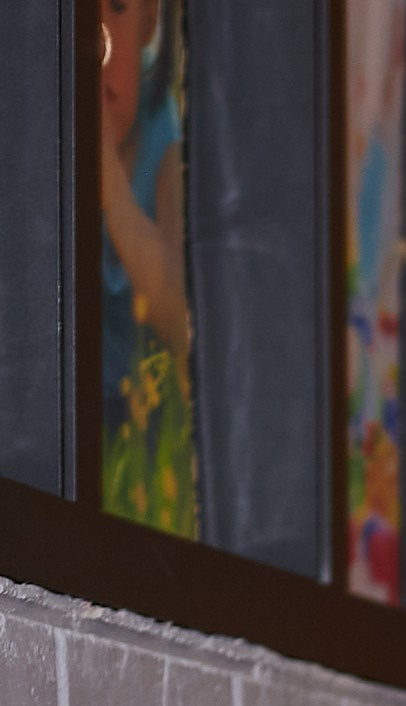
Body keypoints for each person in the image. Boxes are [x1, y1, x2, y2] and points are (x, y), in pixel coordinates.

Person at [100, 0, 195, 536]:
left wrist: (107, 182)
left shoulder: (163, 134)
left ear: (150, 24)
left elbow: (181, 316)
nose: (99, 39)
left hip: (142, 413)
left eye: (117, 8)